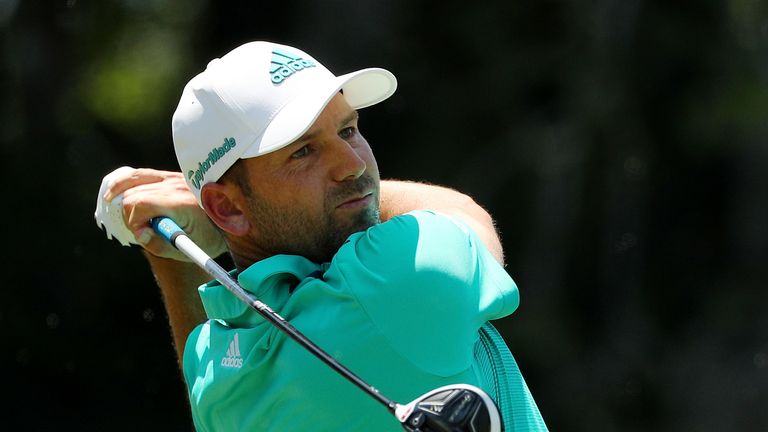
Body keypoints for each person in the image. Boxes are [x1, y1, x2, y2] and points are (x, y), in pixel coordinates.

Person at [98, 41, 548, 431]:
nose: (352, 164)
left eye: (348, 129)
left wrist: (172, 251)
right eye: (304, 151)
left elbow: (206, 377)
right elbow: (462, 212)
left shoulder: (218, 367)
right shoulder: (400, 279)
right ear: (228, 207)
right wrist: (199, 206)